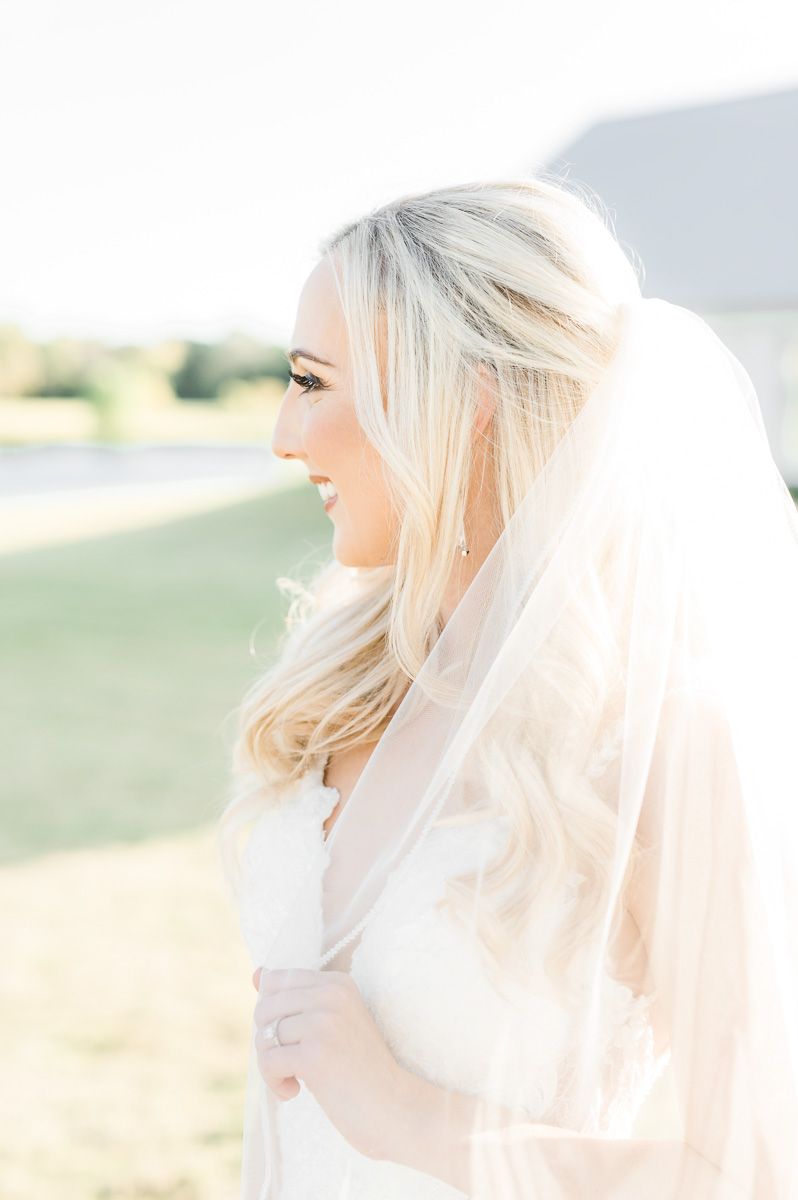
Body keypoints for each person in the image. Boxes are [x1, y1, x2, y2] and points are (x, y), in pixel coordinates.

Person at [217, 177, 798, 1199]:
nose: (284, 432)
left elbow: (754, 1169)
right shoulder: (343, 690)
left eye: (313, 382)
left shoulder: (660, 740)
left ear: (464, 397)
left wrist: (412, 1118)